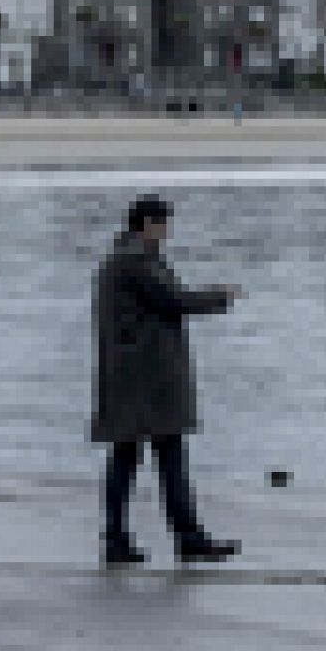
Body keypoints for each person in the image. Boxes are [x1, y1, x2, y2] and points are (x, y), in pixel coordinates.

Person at [92, 195, 244, 566]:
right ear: (146, 224)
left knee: (131, 458)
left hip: (135, 376)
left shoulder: (125, 258)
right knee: (161, 458)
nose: (167, 231)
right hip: (146, 378)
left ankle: (125, 539)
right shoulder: (136, 261)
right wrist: (220, 296)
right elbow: (172, 300)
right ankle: (183, 538)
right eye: (162, 224)